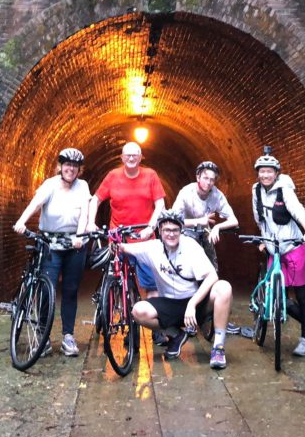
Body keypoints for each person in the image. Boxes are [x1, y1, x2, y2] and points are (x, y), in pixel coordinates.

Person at [122, 210, 234, 369]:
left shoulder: (190, 246)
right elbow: (124, 248)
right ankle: (176, 335)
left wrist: (192, 304)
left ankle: (218, 348)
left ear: (181, 230)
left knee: (224, 287)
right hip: (170, 305)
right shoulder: (152, 247)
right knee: (138, 310)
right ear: (160, 231)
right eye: (167, 230)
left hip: (195, 303)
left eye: (175, 230)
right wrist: (113, 244)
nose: (171, 234)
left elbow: (212, 276)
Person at [13, 147, 90, 357]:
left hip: (73, 243)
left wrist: (80, 236)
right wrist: (21, 221)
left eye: (75, 166)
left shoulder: (82, 186)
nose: (71, 169)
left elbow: (84, 212)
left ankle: (68, 336)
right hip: (50, 243)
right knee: (47, 289)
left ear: (79, 170)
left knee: (71, 290)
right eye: (67, 165)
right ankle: (42, 336)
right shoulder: (50, 184)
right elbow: (36, 203)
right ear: (60, 167)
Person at [251, 147, 305, 357]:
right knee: (279, 298)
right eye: (261, 171)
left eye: (269, 171)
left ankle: (304, 341)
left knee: (303, 296)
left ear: (276, 173)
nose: (265, 175)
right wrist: (263, 239)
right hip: (274, 251)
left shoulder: (285, 189)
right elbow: (260, 219)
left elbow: (297, 210)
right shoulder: (256, 191)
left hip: (293, 247)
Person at [86, 141, 165, 300]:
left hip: (144, 239)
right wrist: (90, 222)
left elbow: (160, 204)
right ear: (121, 157)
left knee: (151, 284)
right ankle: (113, 304)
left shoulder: (150, 175)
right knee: (115, 277)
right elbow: (95, 199)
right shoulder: (113, 176)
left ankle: (153, 317)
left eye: (135, 155)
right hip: (118, 237)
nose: (131, 158)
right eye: (127, 155)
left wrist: (151, 227)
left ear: (140, 157)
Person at [171, 161, 239, 270]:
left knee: (212, 265)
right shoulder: (186, 192)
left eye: (212, 180)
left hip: (205, 232)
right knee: (182, 266)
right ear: (198, 177)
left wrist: (217, 227)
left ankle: (212, 281)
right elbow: (173, 221)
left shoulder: (217, 195)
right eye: (205, 178)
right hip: (186, 232)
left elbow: (234, 221)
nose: (208, 182)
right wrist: (198, 221)